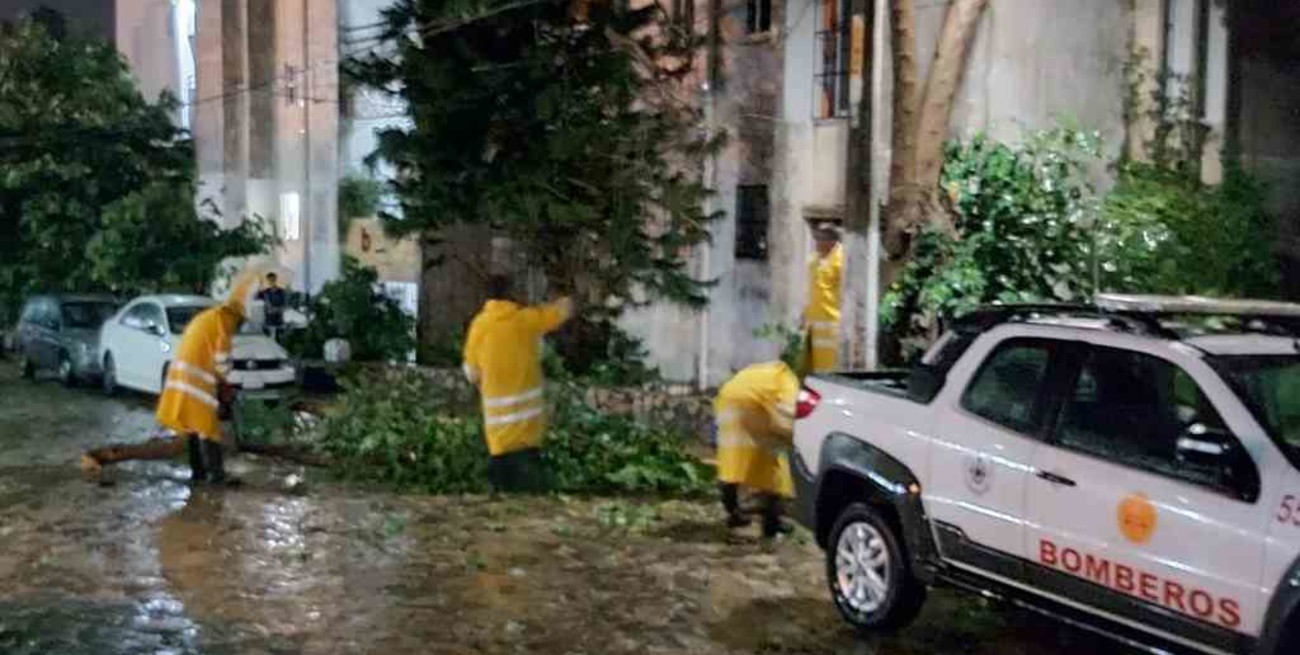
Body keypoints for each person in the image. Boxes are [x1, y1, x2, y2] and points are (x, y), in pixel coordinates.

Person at [80, 265, 266, 485]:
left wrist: (223, 385)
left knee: (196, 430)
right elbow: (222, 362)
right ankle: (215, 478)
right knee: (208, 430)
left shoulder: (209, 317)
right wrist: (227, 383)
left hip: (184, 381)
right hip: (196, 384)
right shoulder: (222, 323)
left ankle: (199, 475)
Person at [462, 275, 573, 493]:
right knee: (531, 495)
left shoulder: (479, 326)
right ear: (511, 295)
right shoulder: (525, 320)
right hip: (527, 432)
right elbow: (562, 312)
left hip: (498, 437)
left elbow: (471, 373)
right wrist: (566, 294)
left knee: (503, 494)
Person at [714, 359, 800, 538]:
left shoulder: (768, 371)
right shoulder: (788, 380)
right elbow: (787, 415)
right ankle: (772, 527)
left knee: (732, 460)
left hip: (727, 395)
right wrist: (792, 439)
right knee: (773, 470)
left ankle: (734, 514)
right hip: (753, 403)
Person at [803, 221, 843, 373]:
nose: (816, 243)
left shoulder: (841, 259)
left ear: (831, 241)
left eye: (820, 239)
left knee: (832, 366)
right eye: (816, 239)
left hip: (834, 323)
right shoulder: (813, 261)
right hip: (815, 323)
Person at [256, 272, 287, 339]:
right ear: (267, 281)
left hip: (279, 322)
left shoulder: (281, 292)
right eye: (269, 280)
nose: (271, 282)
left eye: (273, 280)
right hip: (268, 322)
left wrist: (275, 309)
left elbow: (284, 306)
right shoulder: (265, 292)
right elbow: (256, 297)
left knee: (279, 343)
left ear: (276, 280)